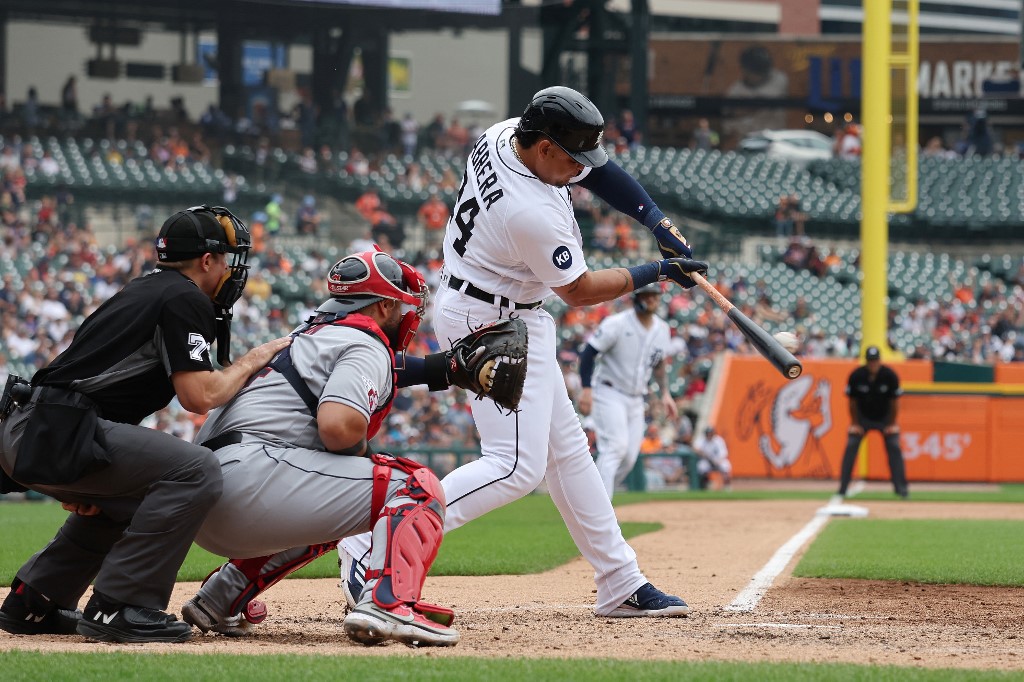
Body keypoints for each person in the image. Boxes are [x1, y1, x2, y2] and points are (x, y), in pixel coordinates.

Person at [340, 85, 708, 618]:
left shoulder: (506, 135)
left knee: (569, 454)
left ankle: (620, 580)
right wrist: (659, 272)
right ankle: (372, 540)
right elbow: (578, 291)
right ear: (543, 147)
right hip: (493, 319)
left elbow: (600, 172)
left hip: (492, 302)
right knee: (514, 465)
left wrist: (657, 223)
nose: (580, 168)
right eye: (571, 157)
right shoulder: (529, 212)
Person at [179, 249, 525, 646]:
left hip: (206, 496)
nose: (406, 314)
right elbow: (339, 428)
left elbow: (382, 373)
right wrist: (364, 458)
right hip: (253, 483)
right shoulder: (365, 341)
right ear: (382, 306)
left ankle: (221, 595)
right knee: (415, 484)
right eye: (400, 305)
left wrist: (442, 369)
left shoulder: (308, 337)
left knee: (339, 494)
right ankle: (388, 603)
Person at [0, 205, 291, 643]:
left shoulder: (148, 289)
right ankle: (119, 607)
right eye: (228, 259)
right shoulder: (184, 297)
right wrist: (255, 357)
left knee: (133, 496)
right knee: (195, 470)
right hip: (53, 430)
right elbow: (200, 396)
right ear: (207, 260)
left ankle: (35, 601)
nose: (233, 271)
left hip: (37, 428)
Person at [577, 284, 677, 499]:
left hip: (636, 399)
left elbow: (659, 365)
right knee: (615, 448)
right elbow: (588, 353)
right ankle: (601, 508)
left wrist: (665, 394)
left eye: (655, 297)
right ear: (636, 298)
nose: (651, 300)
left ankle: (593, 496)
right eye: (647, 296)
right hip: (608, 392)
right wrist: (586, 389)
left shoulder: (662, 329)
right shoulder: (617, 323)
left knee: (630, 457)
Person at [835, 346, 909, 500]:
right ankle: (842, 488)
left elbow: (894, 402)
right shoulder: (857, 375)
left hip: (885, 418)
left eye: (875, 361)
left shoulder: (889, 375)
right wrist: (855, 423)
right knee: (851, 445)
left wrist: (892, 423)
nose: (873, 364)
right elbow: (852, 402)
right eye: (870, 361)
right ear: (867, 361)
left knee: (894, 446)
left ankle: (901, 489)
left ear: (879, 361)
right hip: (862, 418)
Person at [692, 426, 731, 491]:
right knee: (701, 467)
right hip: (706, 460)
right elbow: (695, 448)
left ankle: (727, 487)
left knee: (726, 465)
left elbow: (724, 453)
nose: (709, 435)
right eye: (708, 433)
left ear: (713, 433)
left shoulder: (718, 440)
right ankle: (704, 485)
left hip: (717, 460)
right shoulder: (702, 440)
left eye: (710, 433)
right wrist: (702, 453)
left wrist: (719, 461)